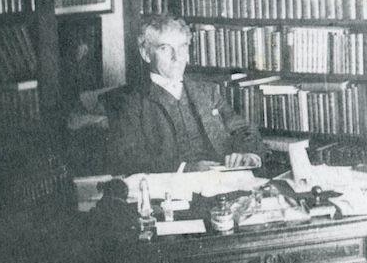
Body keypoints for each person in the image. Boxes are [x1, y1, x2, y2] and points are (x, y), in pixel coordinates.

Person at [102, 14, 265, 174]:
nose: (177, 57)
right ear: (145, 54)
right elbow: (128, 158)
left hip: (222, 178)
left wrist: (247, 153)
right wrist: (184, 169)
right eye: (165, 48)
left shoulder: (207, 91)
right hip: (171, 189)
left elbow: (243, 129)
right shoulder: (128, 101)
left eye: (182, 47)